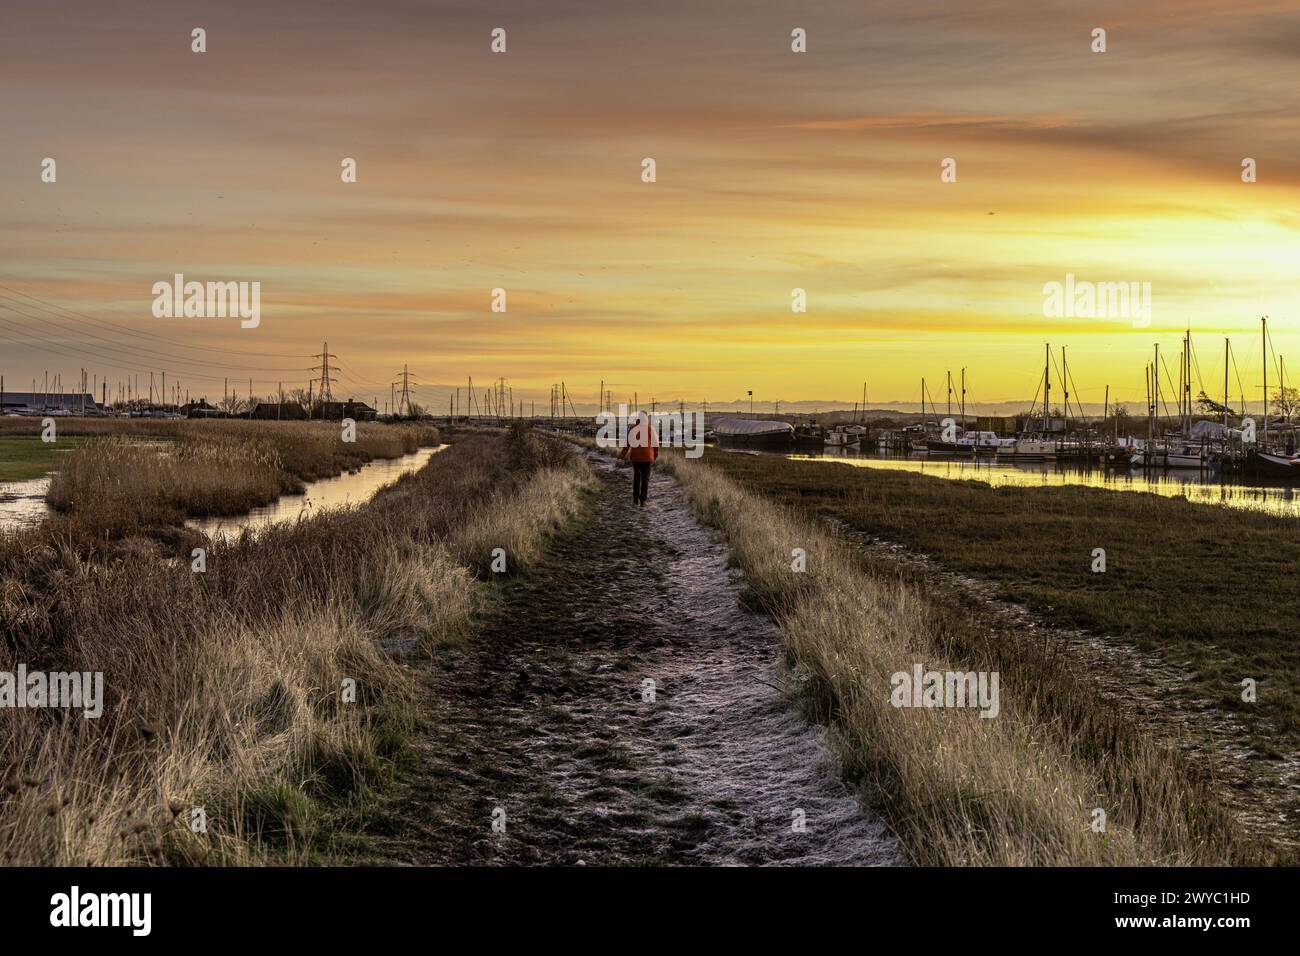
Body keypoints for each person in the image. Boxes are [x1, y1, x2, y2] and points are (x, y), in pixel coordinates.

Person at [617, 411, 659, 505]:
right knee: (645, 479)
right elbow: (656, 444)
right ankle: (643, 500)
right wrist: (655, 454)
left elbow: (627, 445)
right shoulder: (650, 429)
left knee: (637, 477)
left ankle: (635, 498)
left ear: (638, 418)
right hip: (647, 457)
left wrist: (621, 457)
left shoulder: (633, 429)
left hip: (635, 457)